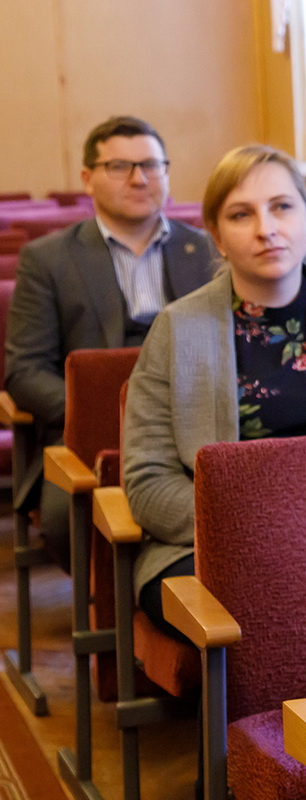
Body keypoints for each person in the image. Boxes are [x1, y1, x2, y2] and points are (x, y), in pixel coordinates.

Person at [123, 145, 306, 639]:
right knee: (283, 601)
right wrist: (261, 529)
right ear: (216, 236)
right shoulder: (177, 329)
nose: (266, 228)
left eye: (282, 207)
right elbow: (147, 481)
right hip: (216, 546)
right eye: (241, 214)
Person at [5, 115, 216, 568]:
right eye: (120, 166)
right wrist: (93, 416)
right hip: (91, 439)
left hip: (193, 432)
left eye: (152, 165)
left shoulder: (206, 251)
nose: (139, 179)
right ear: (87, 178)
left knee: (228, 519)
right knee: (65, 524)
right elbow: (24, 370)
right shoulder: (49, 259)